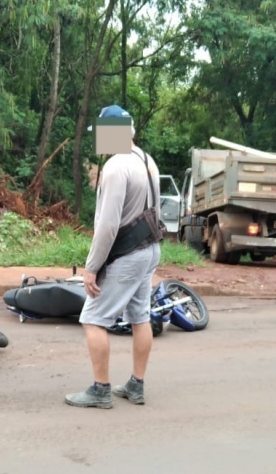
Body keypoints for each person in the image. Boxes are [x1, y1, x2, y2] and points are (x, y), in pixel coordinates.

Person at [65, 106, 162, 409]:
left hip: (127, 253)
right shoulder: (147, 161)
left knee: (92, 318)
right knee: (140, 316)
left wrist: (92, 268)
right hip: (150, 249)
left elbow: (107, 226)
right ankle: (137, 384)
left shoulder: (116, 166)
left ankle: (100, 389)